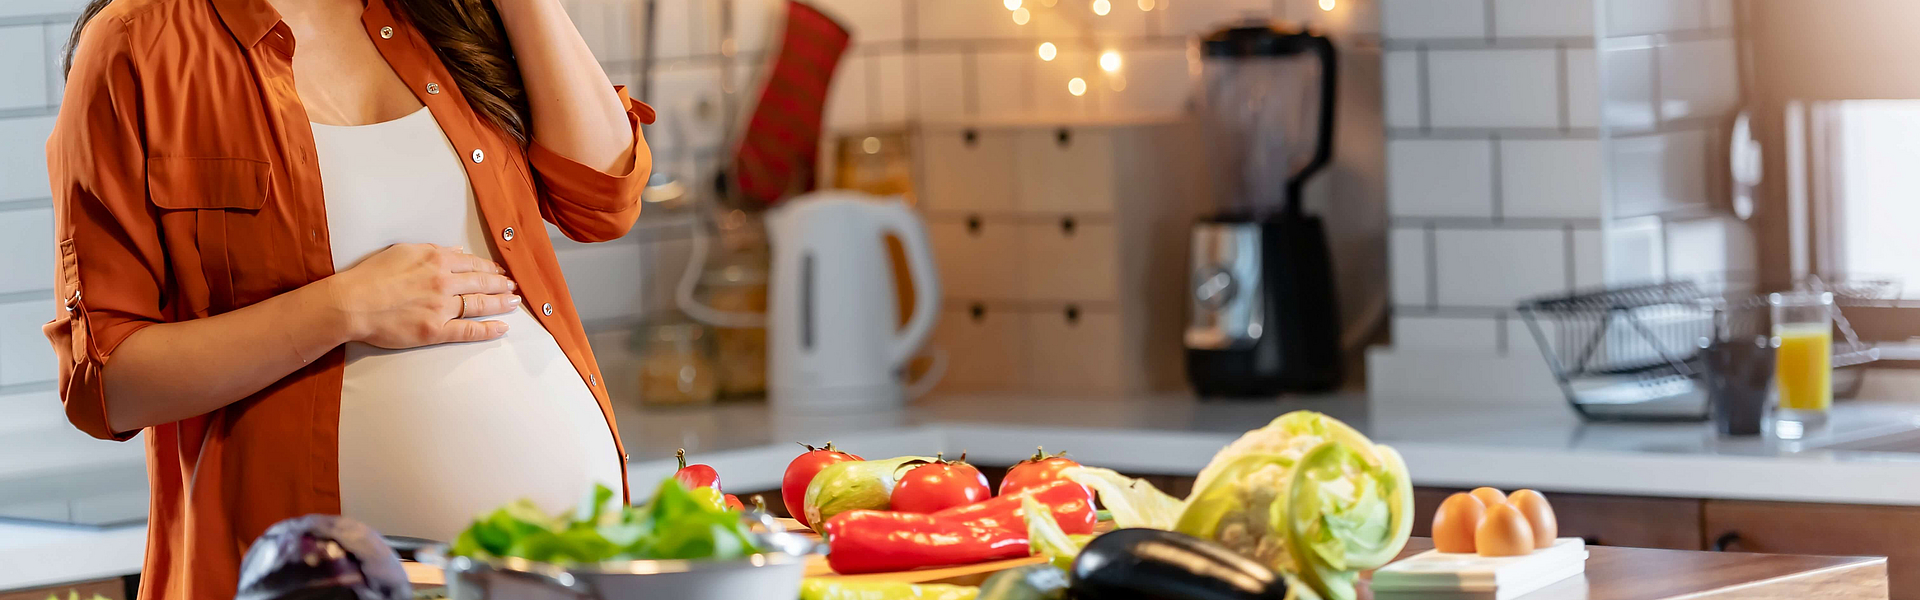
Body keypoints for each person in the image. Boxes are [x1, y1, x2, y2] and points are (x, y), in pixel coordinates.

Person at [44, 0, 652, 597]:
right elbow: (105, 386)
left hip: (576, 561)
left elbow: (602, 201)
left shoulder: (452, 13)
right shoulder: (136, 42)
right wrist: (344, 309)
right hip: (317, 579)